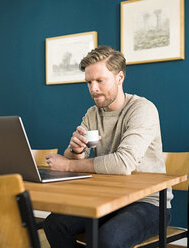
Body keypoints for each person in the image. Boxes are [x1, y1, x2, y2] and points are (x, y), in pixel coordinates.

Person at [44, 46, 173, 248]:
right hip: (108, 198)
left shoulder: (142, 109)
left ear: (119, 78)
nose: (93, 88)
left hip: (148, 203)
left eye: (99, 81)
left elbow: (123, 163)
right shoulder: (93, 114)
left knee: (106, 239)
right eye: (88, 82)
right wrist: (75, 151)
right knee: (54, 224)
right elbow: (78, 159)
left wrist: (68, 165)